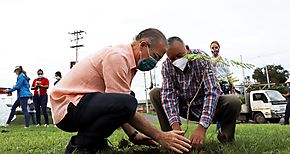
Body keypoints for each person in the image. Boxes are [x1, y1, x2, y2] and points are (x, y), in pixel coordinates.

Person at [50, 28, 191, 154]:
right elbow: (122, 105)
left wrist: (133, 135)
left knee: (128, 98)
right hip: (68, 107)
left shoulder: (129, 62)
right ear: (142, 45)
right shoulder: (118, 57)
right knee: (128, 101)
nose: (154, 63)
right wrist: (161, 136)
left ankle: (93, 142)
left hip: (79, 105)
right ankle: (80, 144)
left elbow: (118, 105)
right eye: (155, 57)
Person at [149, 37, 241, 149]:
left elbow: (212, 92)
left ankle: (226, 138)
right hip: (185, 107)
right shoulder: (167, 66)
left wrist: (201, 128)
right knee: (155, 93)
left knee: (233, 101)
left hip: (209, 106)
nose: (176, 61)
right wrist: (176, 128)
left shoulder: (201, 59)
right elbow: (169, 96)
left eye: (179, 56)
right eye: (172, 58)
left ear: (187, 49)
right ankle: (171, 139)